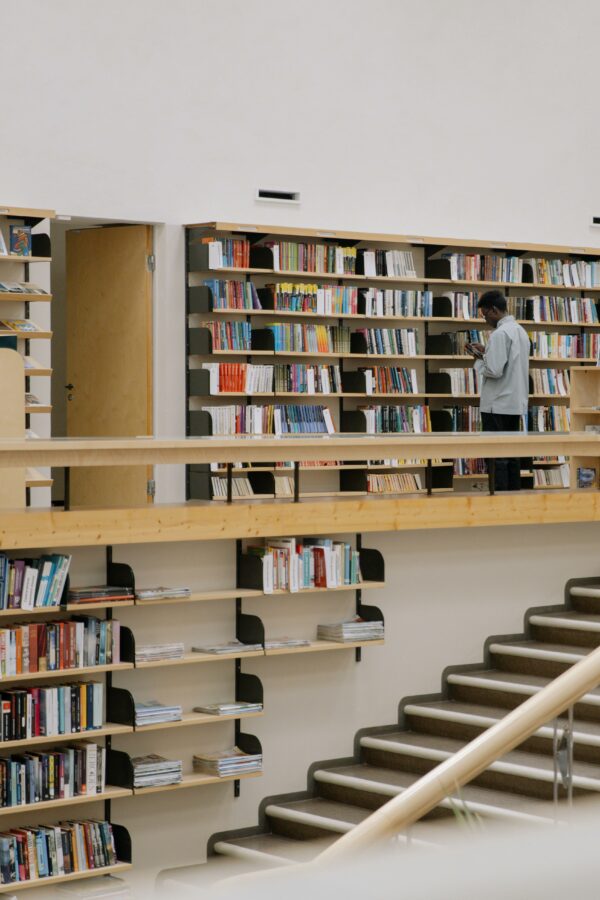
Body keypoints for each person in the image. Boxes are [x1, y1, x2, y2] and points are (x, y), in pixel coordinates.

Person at [465, 290, 530, 491]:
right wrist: (488, 352)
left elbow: (494, 370)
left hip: (496, 404)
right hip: (515, 402)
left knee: (496, 454)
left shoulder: (500, 334)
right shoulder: (520, 331)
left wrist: (477, 358)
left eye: (485, 314)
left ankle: (499, 495)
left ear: (494, 310)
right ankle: (513, 496)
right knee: (511, 454)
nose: (485, 320)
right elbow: (509, 362)